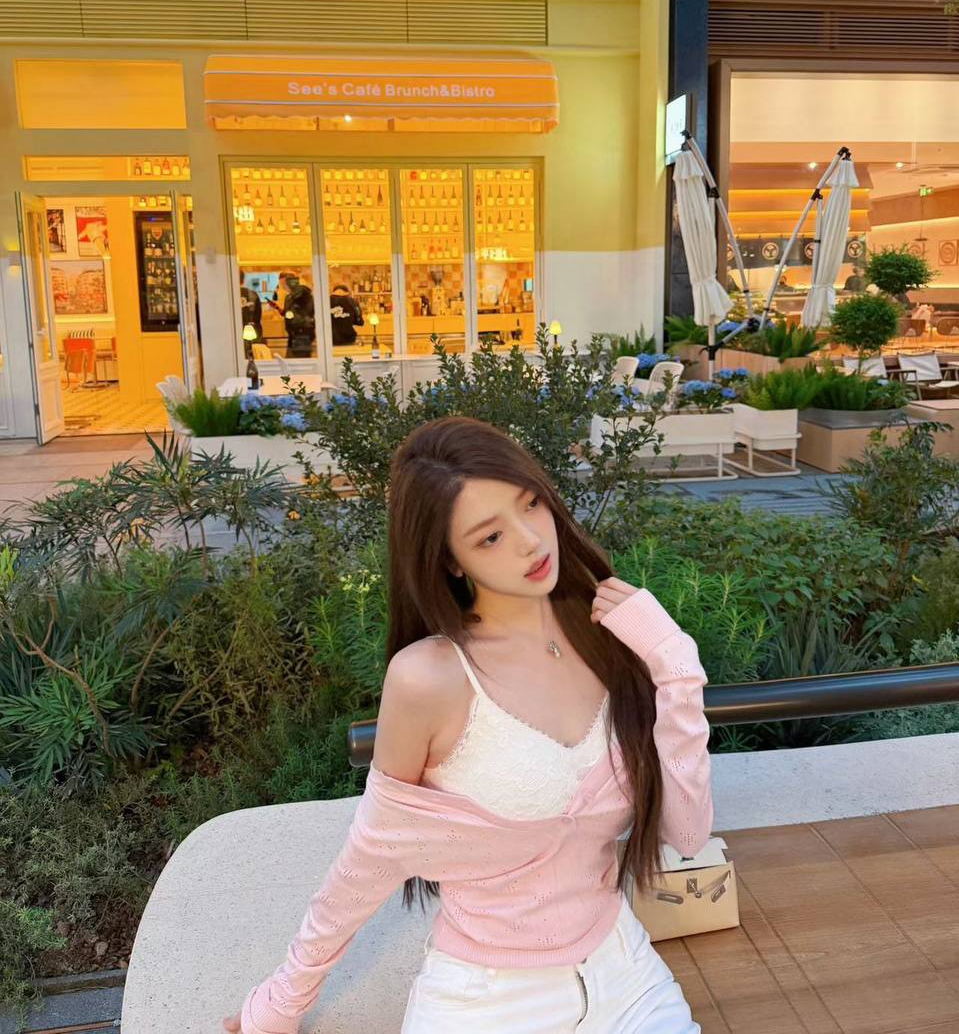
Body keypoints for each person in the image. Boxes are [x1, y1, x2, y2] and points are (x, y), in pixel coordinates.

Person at [223, 417, 711, 1034]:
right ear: (450, 562)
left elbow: (686, 833)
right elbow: (367, 861)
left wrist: (675, 663)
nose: (531, 541)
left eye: (531, 504)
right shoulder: (429, 678)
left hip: (626, 977)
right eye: (490, 537)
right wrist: (282, 1000)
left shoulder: (611, 637)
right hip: (486, 998)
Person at [278, 272, 315, 357]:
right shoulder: (291, 297)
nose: (283, 287)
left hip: (301, 333)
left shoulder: (300, 294)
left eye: (283, 284)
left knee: (299, 360)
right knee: (294, 360)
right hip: (295, 333)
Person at [329, 282, 364, 346]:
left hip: (330, 338)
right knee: (347, 353)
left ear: (334, 291)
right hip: (348, 338)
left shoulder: (326, 301)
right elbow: (359, 321)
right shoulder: (353, 302)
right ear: (347, 292)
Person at [239, 274, 263, 352]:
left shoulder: (228, 295)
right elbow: (258, 316)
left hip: (236, 332)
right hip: (252, 331)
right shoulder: (253, 294)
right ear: (243, 280)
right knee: (252, 353)